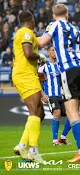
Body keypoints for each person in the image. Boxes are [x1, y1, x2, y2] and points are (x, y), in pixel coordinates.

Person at [37, 4, 80, 162]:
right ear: (67, 15)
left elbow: (42, 43)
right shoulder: (78, 31)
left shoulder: (54, 25)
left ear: (54, 15)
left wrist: (27, 37)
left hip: (67, 71)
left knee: (71, 112)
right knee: (77, 111)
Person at [12, 11, 46, 163]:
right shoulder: (25, 32)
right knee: (35, 111)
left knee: (39, 113)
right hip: (24, 75)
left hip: (28, 74)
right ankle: (33, 151)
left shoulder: (24, 32)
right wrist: (41, 56)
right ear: (32, 19)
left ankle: (22, 145)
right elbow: (27, 53)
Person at [38, 45, 71, 146]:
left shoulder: (61, 66)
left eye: (56, 50)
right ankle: (54, 140)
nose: (55, 52)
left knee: (72, 113)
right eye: (53, 50)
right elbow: (36, 80)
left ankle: (63, 136)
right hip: (51, 94)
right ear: (48, 52)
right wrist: (42, 94)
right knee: (57, 113)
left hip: (62, 94)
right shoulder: (44, 67)